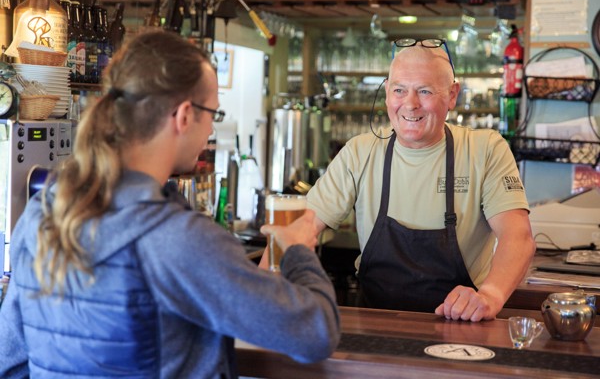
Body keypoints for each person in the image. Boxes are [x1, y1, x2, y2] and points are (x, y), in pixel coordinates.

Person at [0, 30, 340, 378]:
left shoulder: (43, 214)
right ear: (184, 116)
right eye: (213, 114)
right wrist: (299, 252)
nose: (210, 130)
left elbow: (9, 363)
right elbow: (316, 332)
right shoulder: (179, 238)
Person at [307, 39, 536, 322]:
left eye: (424, 91)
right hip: (374, 323)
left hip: (461, 325)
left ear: (452, 95)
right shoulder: (359, 152)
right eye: (399, 90)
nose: (410, 105)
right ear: (387, 92)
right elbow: (302, 228)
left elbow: (518, 238)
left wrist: (490, 296)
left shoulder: (485, 149)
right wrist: (264, 298)